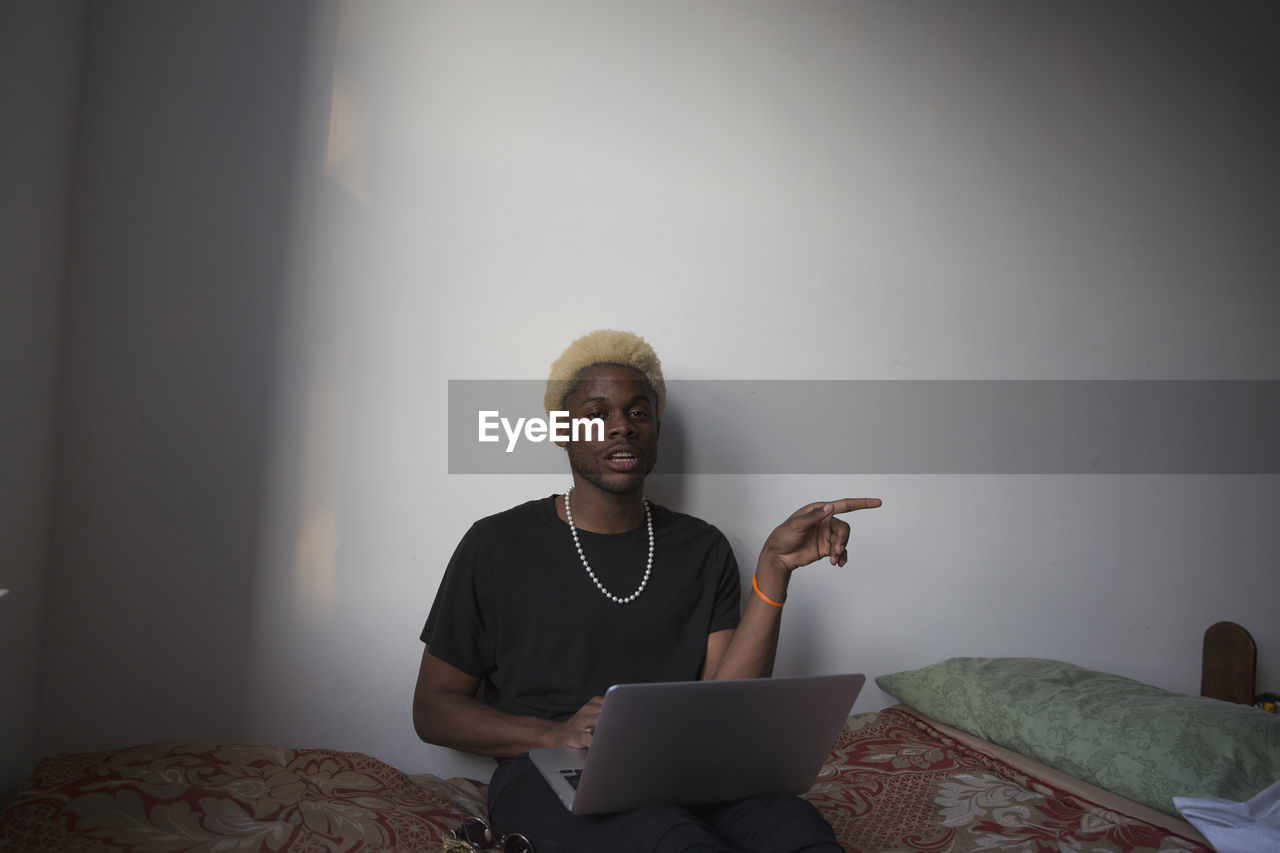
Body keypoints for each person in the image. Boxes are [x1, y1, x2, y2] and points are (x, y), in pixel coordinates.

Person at [415, 330, 881, 853]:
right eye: (597, 413)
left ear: (656, 431)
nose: (622, 426)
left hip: (684, 770)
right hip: (544, 774)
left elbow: (727, 707)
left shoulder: (702, 547)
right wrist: (552, 735)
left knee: (799, 831)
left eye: (639, 413)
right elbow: (433, 709)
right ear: (562, 431)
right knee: (671, 840)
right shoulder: (497, 544)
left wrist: (774, 568)